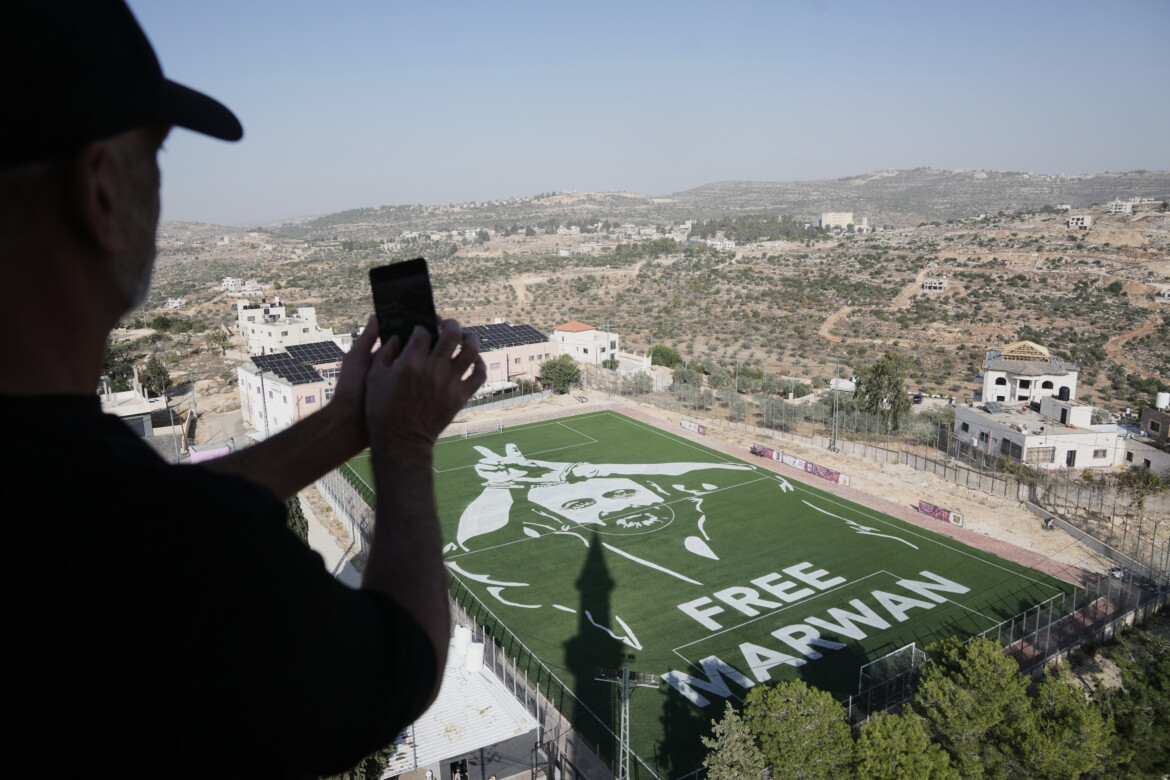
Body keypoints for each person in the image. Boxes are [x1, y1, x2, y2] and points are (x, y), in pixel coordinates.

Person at [0, 1, 485, 777]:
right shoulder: (182, 573)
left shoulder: (80, 504)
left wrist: (346, 424)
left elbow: (140, 513)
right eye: (155, 153)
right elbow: (403, 663)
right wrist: (404, 440)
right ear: (100, 193)